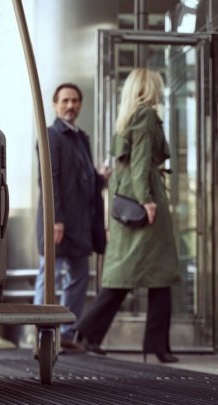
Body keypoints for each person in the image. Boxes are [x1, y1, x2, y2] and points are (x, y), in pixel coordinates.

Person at [75, 68, 181, 363]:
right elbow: (140, 163)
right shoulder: (147, 116)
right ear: (150, 88)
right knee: (158, 273)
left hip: (125, 205)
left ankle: (89, 334)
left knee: (129, 274)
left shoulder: (127, 118)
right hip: (143, 202)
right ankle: (154, 345)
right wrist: (148, 201)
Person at [34, 83, 110, 352]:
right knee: (49, 274)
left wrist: (99, 177)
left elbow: (83, 178)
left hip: (80, 222)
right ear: (55, 104)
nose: (70, 105)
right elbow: (49, 179)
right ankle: (42, 332)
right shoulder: (50, 135)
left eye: (75, 100)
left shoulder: (81, 138)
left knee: (78, 276)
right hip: (59, 220)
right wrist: (56, 219)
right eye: (65, 100)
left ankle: (66, 335)